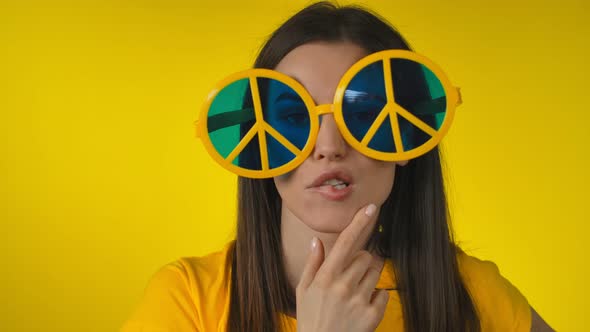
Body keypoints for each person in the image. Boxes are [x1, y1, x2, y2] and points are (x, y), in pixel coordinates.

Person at [121, 2, 554, 331]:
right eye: (294, 116)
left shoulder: (470, 295)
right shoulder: (189, 300)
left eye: (364, 113)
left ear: (408, 136)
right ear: (258, 147)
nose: (329, 146)